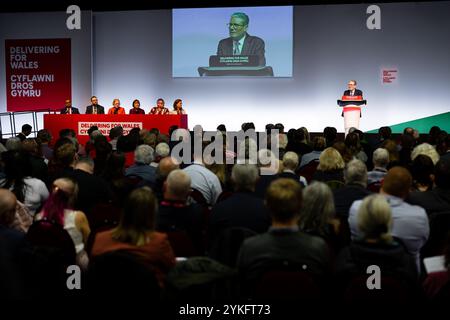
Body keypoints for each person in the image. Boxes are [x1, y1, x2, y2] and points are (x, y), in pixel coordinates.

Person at [237, 179, 330, 288]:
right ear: (301, 206)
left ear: (267, 205)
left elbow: (240, 289)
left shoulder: (249, 248)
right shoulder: (318, 248)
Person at [91, 187, 176, 288]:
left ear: (125, 211)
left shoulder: (100, 239)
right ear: (152, 214)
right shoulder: (159, 242)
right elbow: (173, 270)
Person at [349, 167, 429, 271]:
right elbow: (423, 243)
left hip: (360, 271)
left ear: (382, 183)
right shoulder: (419, 216)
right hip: (403, 278)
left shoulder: (357, 208)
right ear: (408, 190)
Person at [36, 177, 91, 268]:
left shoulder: (39, 218)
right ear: (73, 196)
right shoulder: (78, 217)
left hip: (47, 266)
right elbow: (89, 242)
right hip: (75, 266)